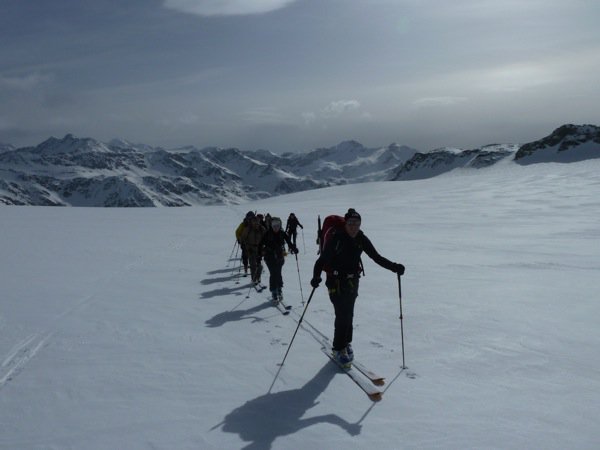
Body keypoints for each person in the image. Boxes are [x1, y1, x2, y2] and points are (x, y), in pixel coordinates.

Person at [310, 208, 405, 367]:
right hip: (335, 281)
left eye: (357, 223)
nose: (354, 226)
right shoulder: (336, 238)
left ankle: (346, 342)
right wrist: (316, 276)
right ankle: (338, 348)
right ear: (345, 223)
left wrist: (394, 267)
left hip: (352, 281)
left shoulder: (361, 238)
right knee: (342, 314)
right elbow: (321, 261)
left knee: (349, 314)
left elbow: (376, 257)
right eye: (351, 223)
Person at [260, 217, 298, 302]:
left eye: (277, 225)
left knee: (278, 273)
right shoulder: (267, 234)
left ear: (280, 225)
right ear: (271, 225)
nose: (276, 227)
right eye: (274, 225)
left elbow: (289, 242)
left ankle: (279, 289)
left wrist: (294, 248)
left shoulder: (282, 233)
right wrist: (260, 253)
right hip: (269, 257)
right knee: (273, 273)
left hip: (280, 257)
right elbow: (261, 244)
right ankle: (274, 291)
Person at [241, 214, 267, 284]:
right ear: (251, 222)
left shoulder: (262, 229)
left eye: (257, 222)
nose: (256, 223)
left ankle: (258, 277)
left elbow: (267, 238)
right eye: (254, 222)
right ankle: (254, 279)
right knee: (252, 265)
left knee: (259, 265)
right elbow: (243, 239)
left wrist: (265, 248)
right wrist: (246, 247)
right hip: (250, 249)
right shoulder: (248, 229)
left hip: (259, 249)